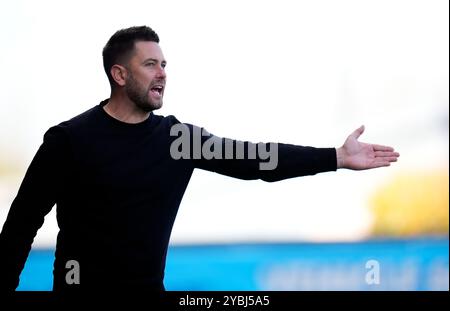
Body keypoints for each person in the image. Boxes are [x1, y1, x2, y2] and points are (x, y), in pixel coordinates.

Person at [0, 26, 399, 291]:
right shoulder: (69, 141)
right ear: (119, 75)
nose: (162, 73)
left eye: (165, 64)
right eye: (150, 64)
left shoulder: (178, 140)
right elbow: (20, 226)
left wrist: (336, 157)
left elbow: (257, 161)